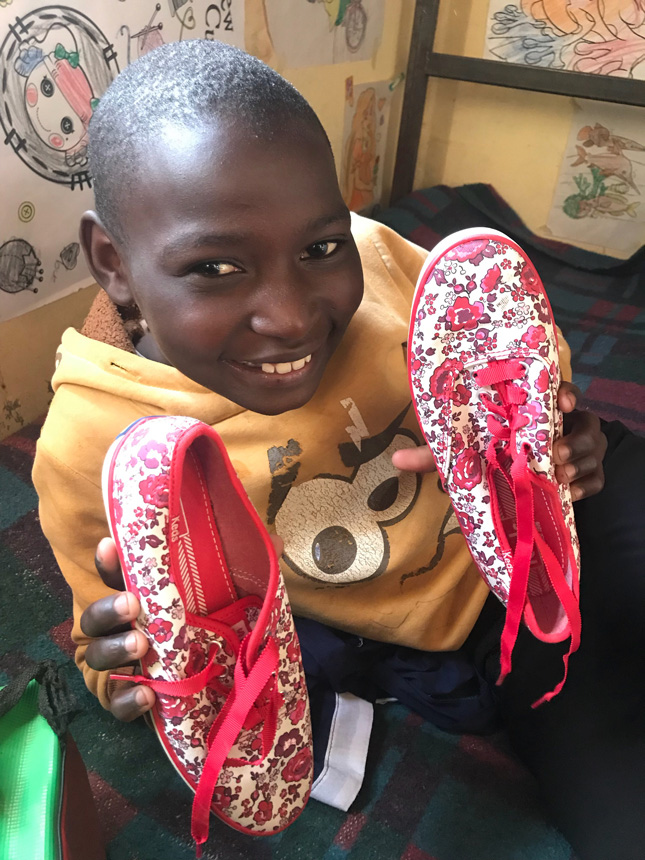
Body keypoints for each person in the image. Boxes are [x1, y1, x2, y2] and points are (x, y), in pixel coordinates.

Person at [31, 40, 644, 860]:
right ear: (114, 263)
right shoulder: (92, 443)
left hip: (550, 532)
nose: (289, 315)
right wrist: (127, 669)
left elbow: (511, 360)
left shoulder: (383, 258)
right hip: (474, 624)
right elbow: (102, 644)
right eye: (215, 268)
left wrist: (567, 442)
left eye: (321, 247)